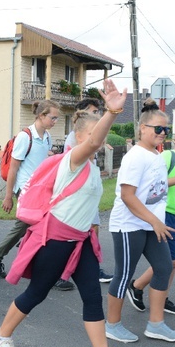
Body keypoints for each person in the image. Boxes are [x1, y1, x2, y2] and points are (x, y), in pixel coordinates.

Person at [0, 78, 137, 347]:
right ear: (81, 137)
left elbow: (87, 209)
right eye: (93, 135)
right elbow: (93, 142)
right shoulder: (73, 161)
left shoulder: (92, 168)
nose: (98, 140)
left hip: (79, 242)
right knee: (37, 292)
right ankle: (1, 336)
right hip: (54, 240)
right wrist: (111, 112)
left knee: (93, 297)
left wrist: (91, 233)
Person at [106, 99, 175, 344]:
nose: (163, 133)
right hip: (129, 225)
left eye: (166, 130)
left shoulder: (156, 155)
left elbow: (153, 190)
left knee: (164, 266)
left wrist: (172, 184)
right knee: (124, 273)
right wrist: (155, 222)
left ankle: (156, 324)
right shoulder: (135, 157)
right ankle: (112, 325)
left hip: (150, 224)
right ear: (142, 129)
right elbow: (128, 196)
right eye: (158, 129)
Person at [126, 122, 175, 315]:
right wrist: (174, 181)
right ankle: (137, 286)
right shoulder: (168, 156)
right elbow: (151, 184)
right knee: (171, 261)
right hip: (163, 214)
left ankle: (162, 296)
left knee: (173, 261)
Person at [0, 100, 58, 283]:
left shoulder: (47, 136)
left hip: (41, 189)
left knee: (33, 226)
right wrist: (8, 196)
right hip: (26, 189)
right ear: (41, 116)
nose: (55, 121)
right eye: (53, 117)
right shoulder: (25, 137)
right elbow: (13, 169)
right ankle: (45, 270)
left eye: (56, 118)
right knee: (33, 225)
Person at [65, 97, 115, 284]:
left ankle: (87, 268)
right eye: (94, 112)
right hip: (79, 195)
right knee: (84, 231)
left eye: (98, 112)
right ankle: (80, 269)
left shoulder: (90, 135)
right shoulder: (76, 138)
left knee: (91, 229)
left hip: (87, 193)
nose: (98, 115)